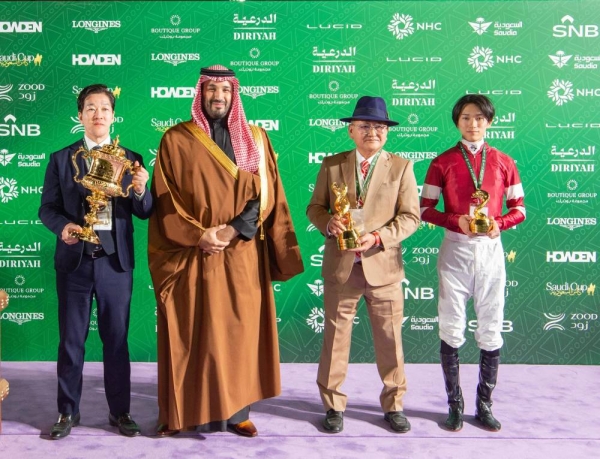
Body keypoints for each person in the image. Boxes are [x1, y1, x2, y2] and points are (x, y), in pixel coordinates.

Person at [148, 65, 303, 438]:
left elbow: (266, 194)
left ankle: (237, 414)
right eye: (211, 89)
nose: (218, 96)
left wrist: (233, 229)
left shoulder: (256, 138)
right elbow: (165, 198)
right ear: (200, 94)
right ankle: (182, 414)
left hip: (240, 253)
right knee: (191, 333)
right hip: (192, 253)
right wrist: (199, 234)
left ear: (235, 96)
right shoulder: (175, 139)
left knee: (238, 334)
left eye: (225, 90)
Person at [39, 84, 153, 439]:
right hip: (75, 261)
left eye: (104, 108)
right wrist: (65, 228)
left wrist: (140, 188)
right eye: (90, 108)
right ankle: (66, 412)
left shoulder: (130, 158)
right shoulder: (61, 158)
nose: (98, 114)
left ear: (113, 116)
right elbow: (47, 209)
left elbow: (145, 211)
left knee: (116, 340)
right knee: (71, 341)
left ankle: (120, 412)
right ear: (80, 116)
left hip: (114, 264)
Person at [306, 96, 420, 434]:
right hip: (342, 268)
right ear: (351, 131)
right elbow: (315, 208)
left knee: (390, 339)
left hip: (383, 267)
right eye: (366, 126)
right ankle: (333, 406)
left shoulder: (402, 167)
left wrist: (380, 237)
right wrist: (329, 223)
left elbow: (411, 217)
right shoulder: (331, 165)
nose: (374, 131)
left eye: (380, 127)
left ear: (387, 133)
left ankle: (394, 404)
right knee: (336, 338)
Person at [420, 94, 526, 432]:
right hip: (456, 249)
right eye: (466, 117)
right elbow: (424, 209)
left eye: (480, 117)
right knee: (451, 326)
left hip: (491, 250)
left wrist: (499, 224)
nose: (473, 123)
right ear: (457, 121)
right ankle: (455, 405)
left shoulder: (505, 161)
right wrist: (455, 220)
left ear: (490, 121)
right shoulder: (442, 162)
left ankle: (484, 405)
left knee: (491, 327)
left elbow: (519, 209)